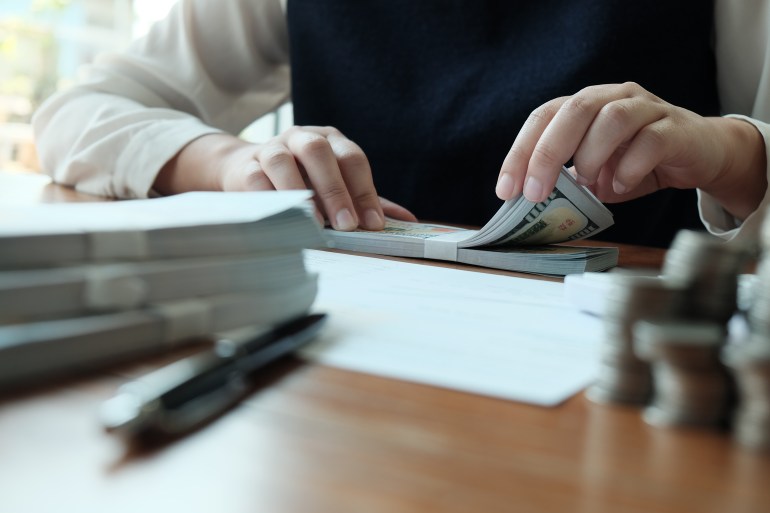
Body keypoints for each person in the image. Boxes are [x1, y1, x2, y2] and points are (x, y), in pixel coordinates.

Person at [33, 0, 770, 248]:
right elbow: (74, 113)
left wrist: (734, 152)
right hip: (355, 373)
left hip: (644, 382)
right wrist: (226, 162)